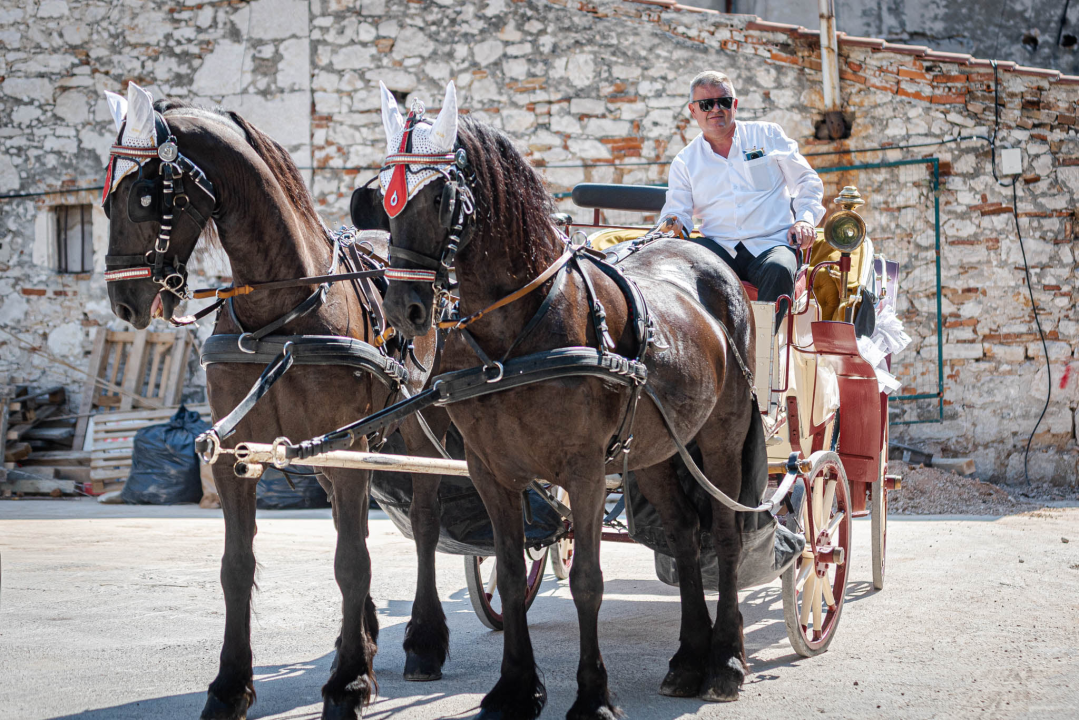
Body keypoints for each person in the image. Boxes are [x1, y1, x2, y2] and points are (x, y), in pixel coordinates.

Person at [657, 70, 825, 324]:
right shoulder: (685, 161)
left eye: (723, 101)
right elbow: (678, 213)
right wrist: (671, 227)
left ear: (734, 105)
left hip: (771, 243)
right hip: (719, 247)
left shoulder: (767, 135)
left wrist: (805, 220)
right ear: (693, 111)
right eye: (706, 104)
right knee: (680, 262)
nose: (715, 109)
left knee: (780, 268)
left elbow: (806, 181)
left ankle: (761, 354)